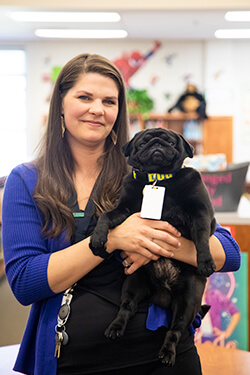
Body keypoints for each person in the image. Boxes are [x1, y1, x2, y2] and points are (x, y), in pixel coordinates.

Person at [2, 53, 241, 375]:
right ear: (60, 103)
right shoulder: (27, 180)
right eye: (84, 97)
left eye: (109, 101)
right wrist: (113, 239)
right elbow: (27, 283)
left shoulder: (147, 172)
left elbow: (228, 253)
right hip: (74, 357)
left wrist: (153, 240)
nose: (97, 109)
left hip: (165, 355)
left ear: (119, 111)